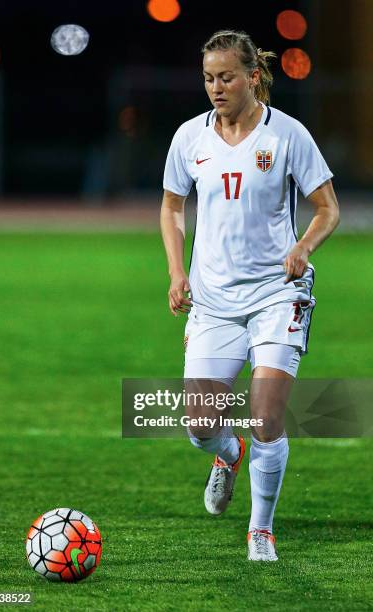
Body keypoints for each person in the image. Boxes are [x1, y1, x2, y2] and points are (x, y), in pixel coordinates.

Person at [160, 30, 339, 561]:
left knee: (266, 415)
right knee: (200, 426)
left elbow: (327, 208)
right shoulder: (190, 138)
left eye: (227, 77)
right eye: (209, 78)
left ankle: (260, 531)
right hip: (214, 300)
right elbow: (172, 209)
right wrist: (176, 273)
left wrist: (304, 246)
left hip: (276, 295)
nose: (216, 87)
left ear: (252, 76)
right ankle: (227, 453)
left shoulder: (286, 135)